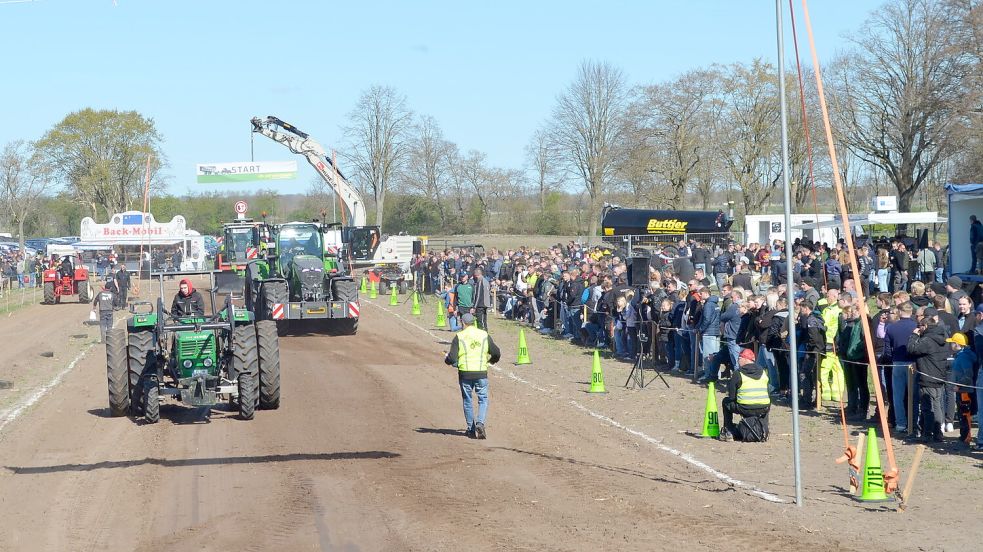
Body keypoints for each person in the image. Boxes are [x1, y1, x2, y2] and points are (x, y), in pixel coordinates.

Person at [444, 313, 501, 439]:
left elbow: (452, 358)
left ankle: (471, 429)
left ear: (462, 322)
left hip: (465, 373)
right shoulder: (484, 335)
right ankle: (480, 422)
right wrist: (491, 361)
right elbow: (496, 352)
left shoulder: (459, 336)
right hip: (481, 372)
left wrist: (447, 360)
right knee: (483, 399)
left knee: (467, 400)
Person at [907, 308, 949, 443]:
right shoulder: (941, 338)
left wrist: (914, 335)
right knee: (937, 406)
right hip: (938, 376)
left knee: (927, 407)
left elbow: (912, 349)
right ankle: (937, 433)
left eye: (920, 327)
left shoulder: (927, 340)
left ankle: (928, 433)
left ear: (925, 326)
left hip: (928, 376)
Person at [718, 348, 771, 442]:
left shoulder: (738, 373)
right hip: (764, 408)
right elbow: (766, 392)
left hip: (745, 408)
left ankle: (728, 430)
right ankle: (765, 431)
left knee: (726, 402)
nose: (738, 361)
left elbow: (732, 396)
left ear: (744, 359)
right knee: (766, 402)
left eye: (739, 358)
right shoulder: (763, 372)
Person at [91, 276, 117, 343]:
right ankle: (109, 339)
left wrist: (94, 308)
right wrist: (114, 307)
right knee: (109, 326)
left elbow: (95, 301)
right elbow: (116, 303)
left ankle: (103, 340)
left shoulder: (100, 294)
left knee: (102, 326)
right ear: (110, 288)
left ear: (105, 287)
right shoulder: (112, 294)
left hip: (102, 311)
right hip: (109, 311)